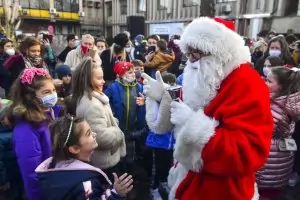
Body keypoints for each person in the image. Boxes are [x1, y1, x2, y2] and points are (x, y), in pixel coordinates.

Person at [142, 17, 273, 200]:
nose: (190, 60)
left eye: (196, 53)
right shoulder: (207, 75)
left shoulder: (247, 83)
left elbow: (248, 153)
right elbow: (191, 103)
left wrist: (194, 125)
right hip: (189, 180)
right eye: (188, 53)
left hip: (223, 190)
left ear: (218, 53)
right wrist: (163, 97)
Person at [36, 115, 133, 200]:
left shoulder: (55, 168)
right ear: (75, 148)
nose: (94, 134)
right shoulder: (85, 183)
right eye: (88, 134)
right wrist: (115, 193)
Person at [6, 68, 62, 200]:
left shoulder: (50, 114)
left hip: (55, 182)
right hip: (45, 191)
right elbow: (31, 171)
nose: (53, 95)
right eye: (46, 92)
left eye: (53, 90)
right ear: (31, 96)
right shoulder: (26, 127)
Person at [70, 57, 126, 181]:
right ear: (87, 80)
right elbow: (101, 138)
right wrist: (118, 132)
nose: (103, 82)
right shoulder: (92, 105)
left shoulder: (91, 98)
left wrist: (112, 122)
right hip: (104, 162)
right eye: (99, 78)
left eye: (103, 77)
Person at [257, 67, 300, 199]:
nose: (265, 83)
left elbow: (262, 128)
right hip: (282, 154)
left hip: (269, 157)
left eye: (269, 81)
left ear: (280, 87)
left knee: (263, 193)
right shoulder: (288, 102)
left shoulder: (276, 108)